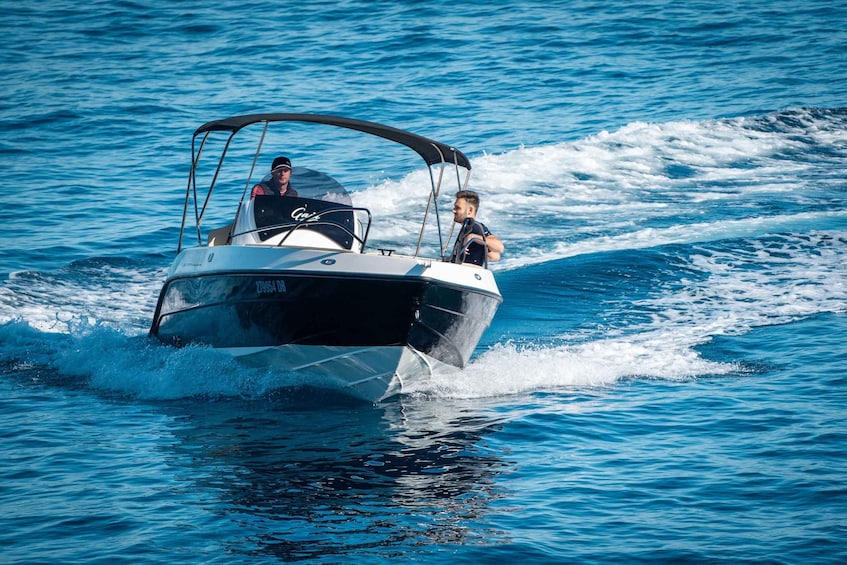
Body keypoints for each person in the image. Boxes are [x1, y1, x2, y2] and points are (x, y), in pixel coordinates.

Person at [448, 190, 504, 266]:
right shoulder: (467, 227)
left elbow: (499, 247)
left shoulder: (475, 227)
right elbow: (495, 256)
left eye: (457, 208)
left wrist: (473, 237)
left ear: (470, 210)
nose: (453, 210)